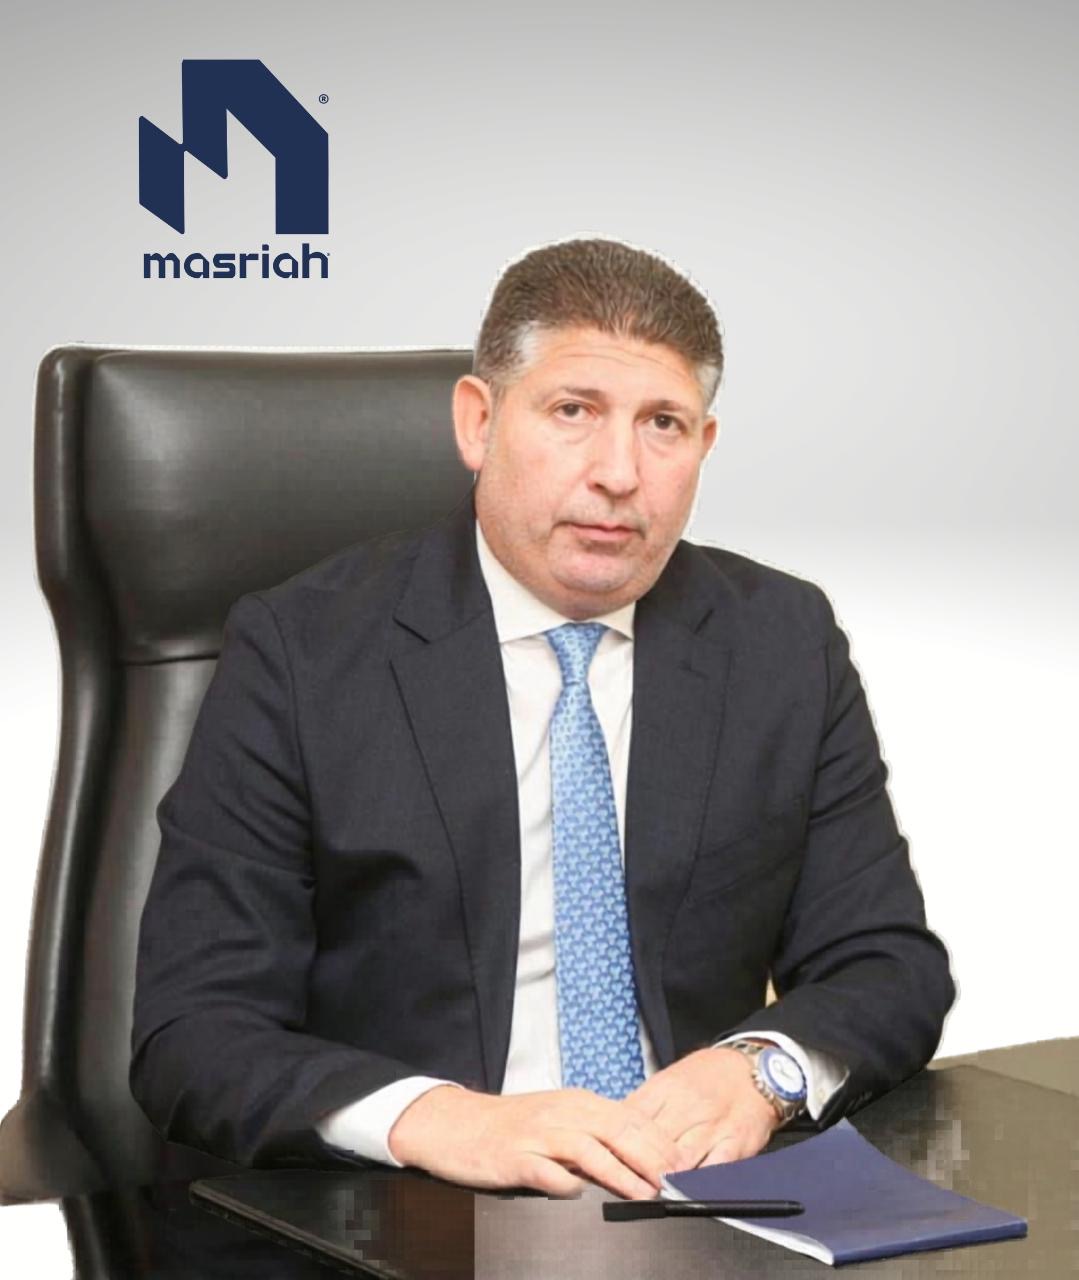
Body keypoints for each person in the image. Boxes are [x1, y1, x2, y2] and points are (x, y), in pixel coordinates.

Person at [130, 237, 956, 1203]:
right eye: (573, 412)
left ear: (704, 447)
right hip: (415, 1203)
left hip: (690, 1196)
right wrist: (444, 1119)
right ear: (478, 422)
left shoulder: (779, 639)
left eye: (662, 424)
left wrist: (759, 1073)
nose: (619, 473)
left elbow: (887, 966)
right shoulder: (303, 651)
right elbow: (194, 1034)